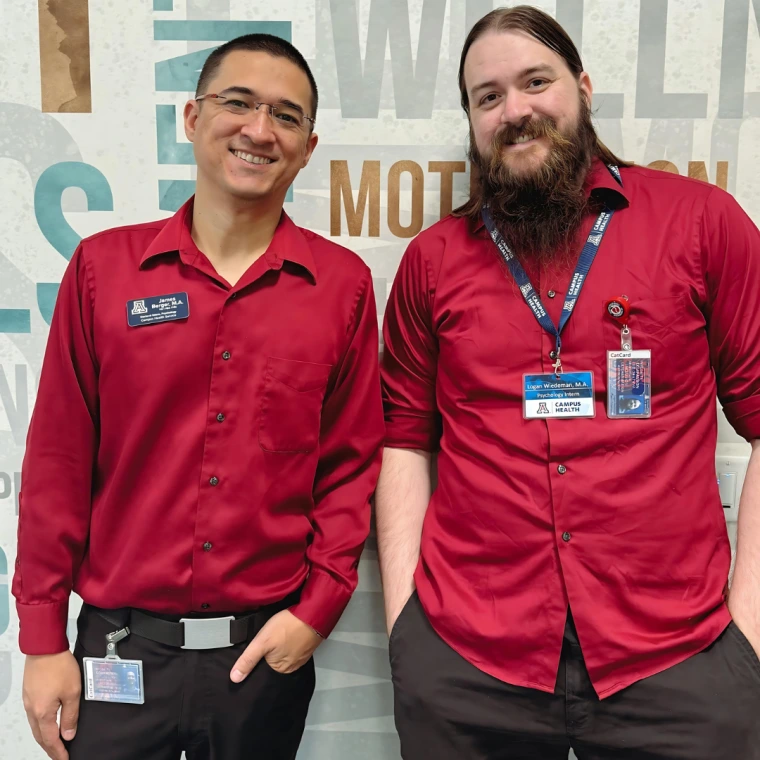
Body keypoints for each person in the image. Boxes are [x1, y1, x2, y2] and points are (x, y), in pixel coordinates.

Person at [376, 6, 760, 759]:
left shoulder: (701, 224)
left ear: (581, 88)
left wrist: (746, 634)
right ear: (472, 120)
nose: (515, 110)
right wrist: (407, 630)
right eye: (488, 97)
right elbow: (403, 442)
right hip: (469, 663)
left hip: (679, 661)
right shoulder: (432, 262)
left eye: (535, 82)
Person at [16, 33, 384, 760]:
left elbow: (349, 467)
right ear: (190, 117)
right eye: (237, 102)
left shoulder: (340, 288)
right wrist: (41, 640)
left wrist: (316, 611)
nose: (258, 129)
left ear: (308, 148)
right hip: (117, 652)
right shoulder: (104, 271)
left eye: (285, 115)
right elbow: (58, 460)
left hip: (261, 659)